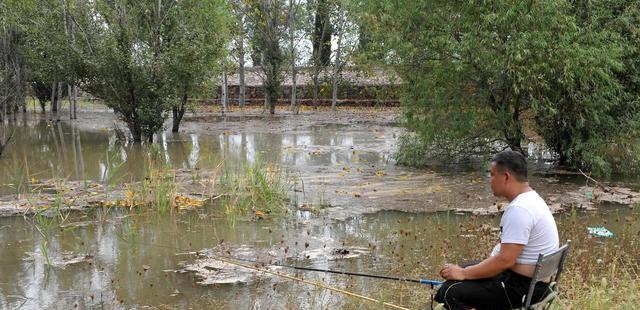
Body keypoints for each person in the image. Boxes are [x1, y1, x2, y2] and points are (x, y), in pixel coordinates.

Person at [434, 150, 559, 310]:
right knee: (465, 267)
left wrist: (464, 274)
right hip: (533, 282)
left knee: (448, 291)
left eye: (492, 175)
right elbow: (503, 256)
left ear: (506, 177)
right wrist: (465, 271)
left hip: (524, 289)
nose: (490, 180)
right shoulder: (532, 199)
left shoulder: (520, 210)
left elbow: (504, 261)